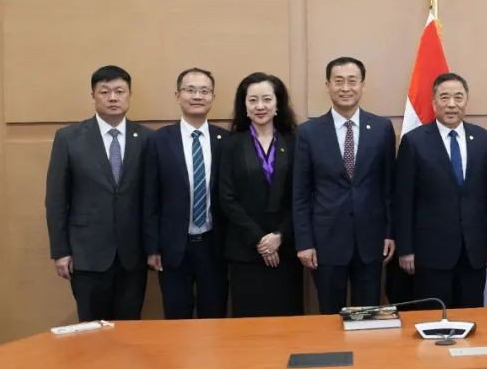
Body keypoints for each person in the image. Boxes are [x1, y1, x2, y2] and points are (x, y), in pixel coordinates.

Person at [45, 65, 152, 321]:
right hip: (86, 254)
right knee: (91, 329)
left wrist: (153, 247)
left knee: (129, 327)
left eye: (119, 91)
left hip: (133, 254)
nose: (113, 98)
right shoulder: (69, 138)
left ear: (129, 95)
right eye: (104, 92)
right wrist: (60, 251)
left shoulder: (147, 138)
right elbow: (56, 199)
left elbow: (152, 199)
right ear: (93, 95)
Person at [293, 57, 395, 313]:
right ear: (328, 85)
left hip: (371, 241)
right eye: (338, 81)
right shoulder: (308, 132)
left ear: (363, 85)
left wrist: (389, 232)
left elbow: (389, 188)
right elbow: (301, 193)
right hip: (326, 242)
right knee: (330, 314)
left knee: (368, 315)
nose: (345, 88)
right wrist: (304, 242)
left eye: (352, 81)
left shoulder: (382, 128)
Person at [394, 73, 487, 308]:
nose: (451, 104)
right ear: (434, 103)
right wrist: (406, 249)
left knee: (471, 317)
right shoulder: (414, 141)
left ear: (466, 101)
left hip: (474, 251)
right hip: (430, 253)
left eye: (458, 97)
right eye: (444, 97)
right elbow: (403, 200)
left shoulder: (484, 139)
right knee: (433, 318)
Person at [143, 68, 229, 319]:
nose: (197, 96)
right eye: (190, 90)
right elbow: (149, 197)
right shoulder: (158, 140)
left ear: (213, 97)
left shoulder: (226, 140)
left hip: (214, 245)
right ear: (178, 95)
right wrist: (152, 247)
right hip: (172, 247)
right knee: (176, 317)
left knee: (214, 315)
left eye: (204, 91)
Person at [218, 72, 304, 317]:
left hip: (286, 250)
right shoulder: (230, 145)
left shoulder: (295, 143)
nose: (260, 106)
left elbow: (301, 196)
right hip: (245, 251)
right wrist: (260, 240)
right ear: (244, 106)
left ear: (278, 104)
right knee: (249, 325)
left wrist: (279, 236)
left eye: (267, 99)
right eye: (253, 100)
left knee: (288, 321)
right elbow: (226, 197)